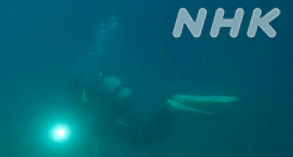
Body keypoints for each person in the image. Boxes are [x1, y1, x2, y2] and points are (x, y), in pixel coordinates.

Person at [69, 17, 236, 148]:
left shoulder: (93, 101)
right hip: (125, 113)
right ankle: (174, 103)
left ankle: (172, 106)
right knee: (148, 131)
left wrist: (98, 135)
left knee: (150, 137)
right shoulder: (94, 94)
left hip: (126, 119)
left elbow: (103, 121)